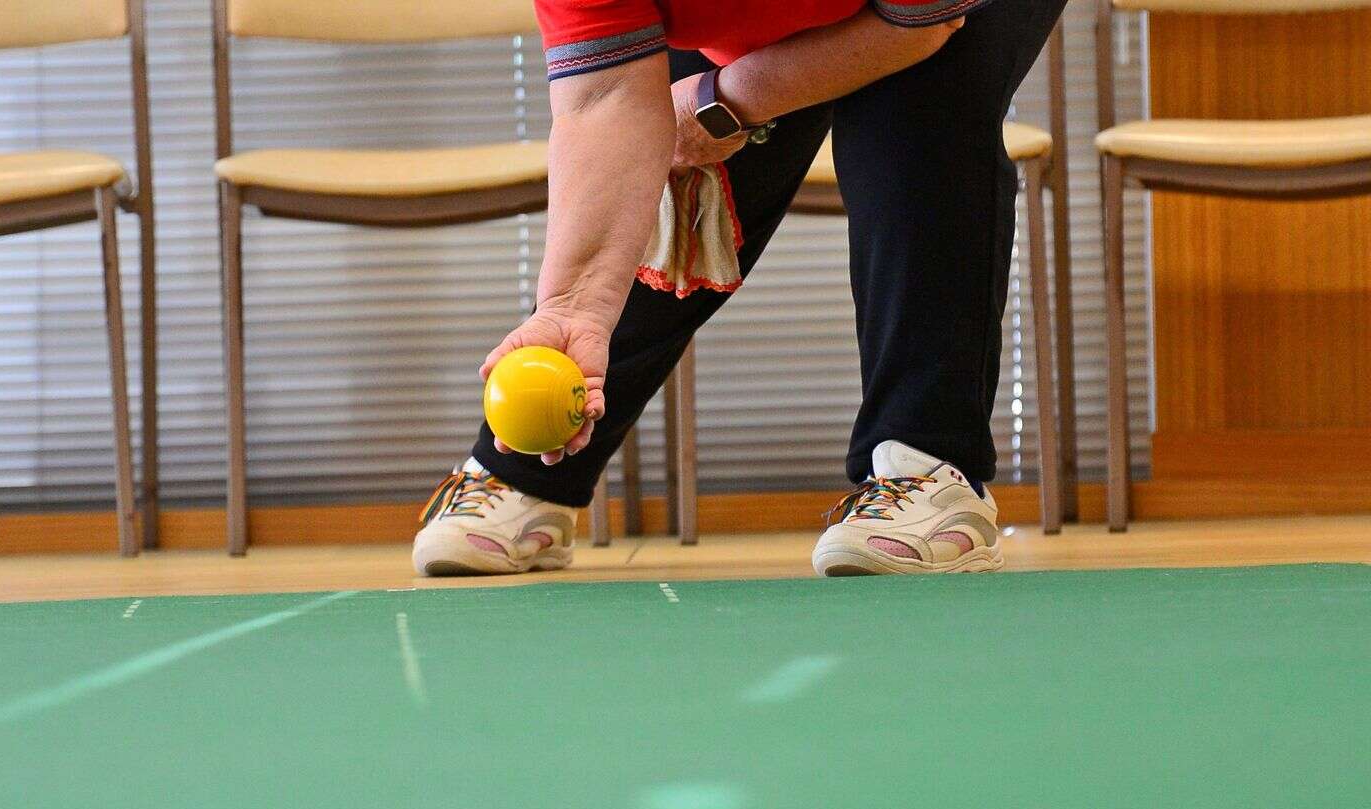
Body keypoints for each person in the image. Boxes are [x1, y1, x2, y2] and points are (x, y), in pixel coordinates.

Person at [413, 0, 1068, 580]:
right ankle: (527, 474)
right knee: (671, 177)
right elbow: (607, 99)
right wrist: (572, 306)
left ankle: (927, 466)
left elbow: (919, 26)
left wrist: (726, 100)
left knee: (915, 106)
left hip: (930, 15)